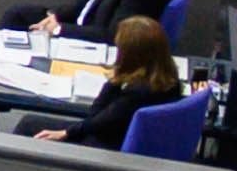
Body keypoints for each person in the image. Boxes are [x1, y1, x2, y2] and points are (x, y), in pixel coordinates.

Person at [42, 15, 192, 150]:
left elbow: (95, 120)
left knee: (27, 126)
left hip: (107, 149)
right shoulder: (170, 81)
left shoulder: (136, 94)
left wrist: (115, 80)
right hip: (137, 141)